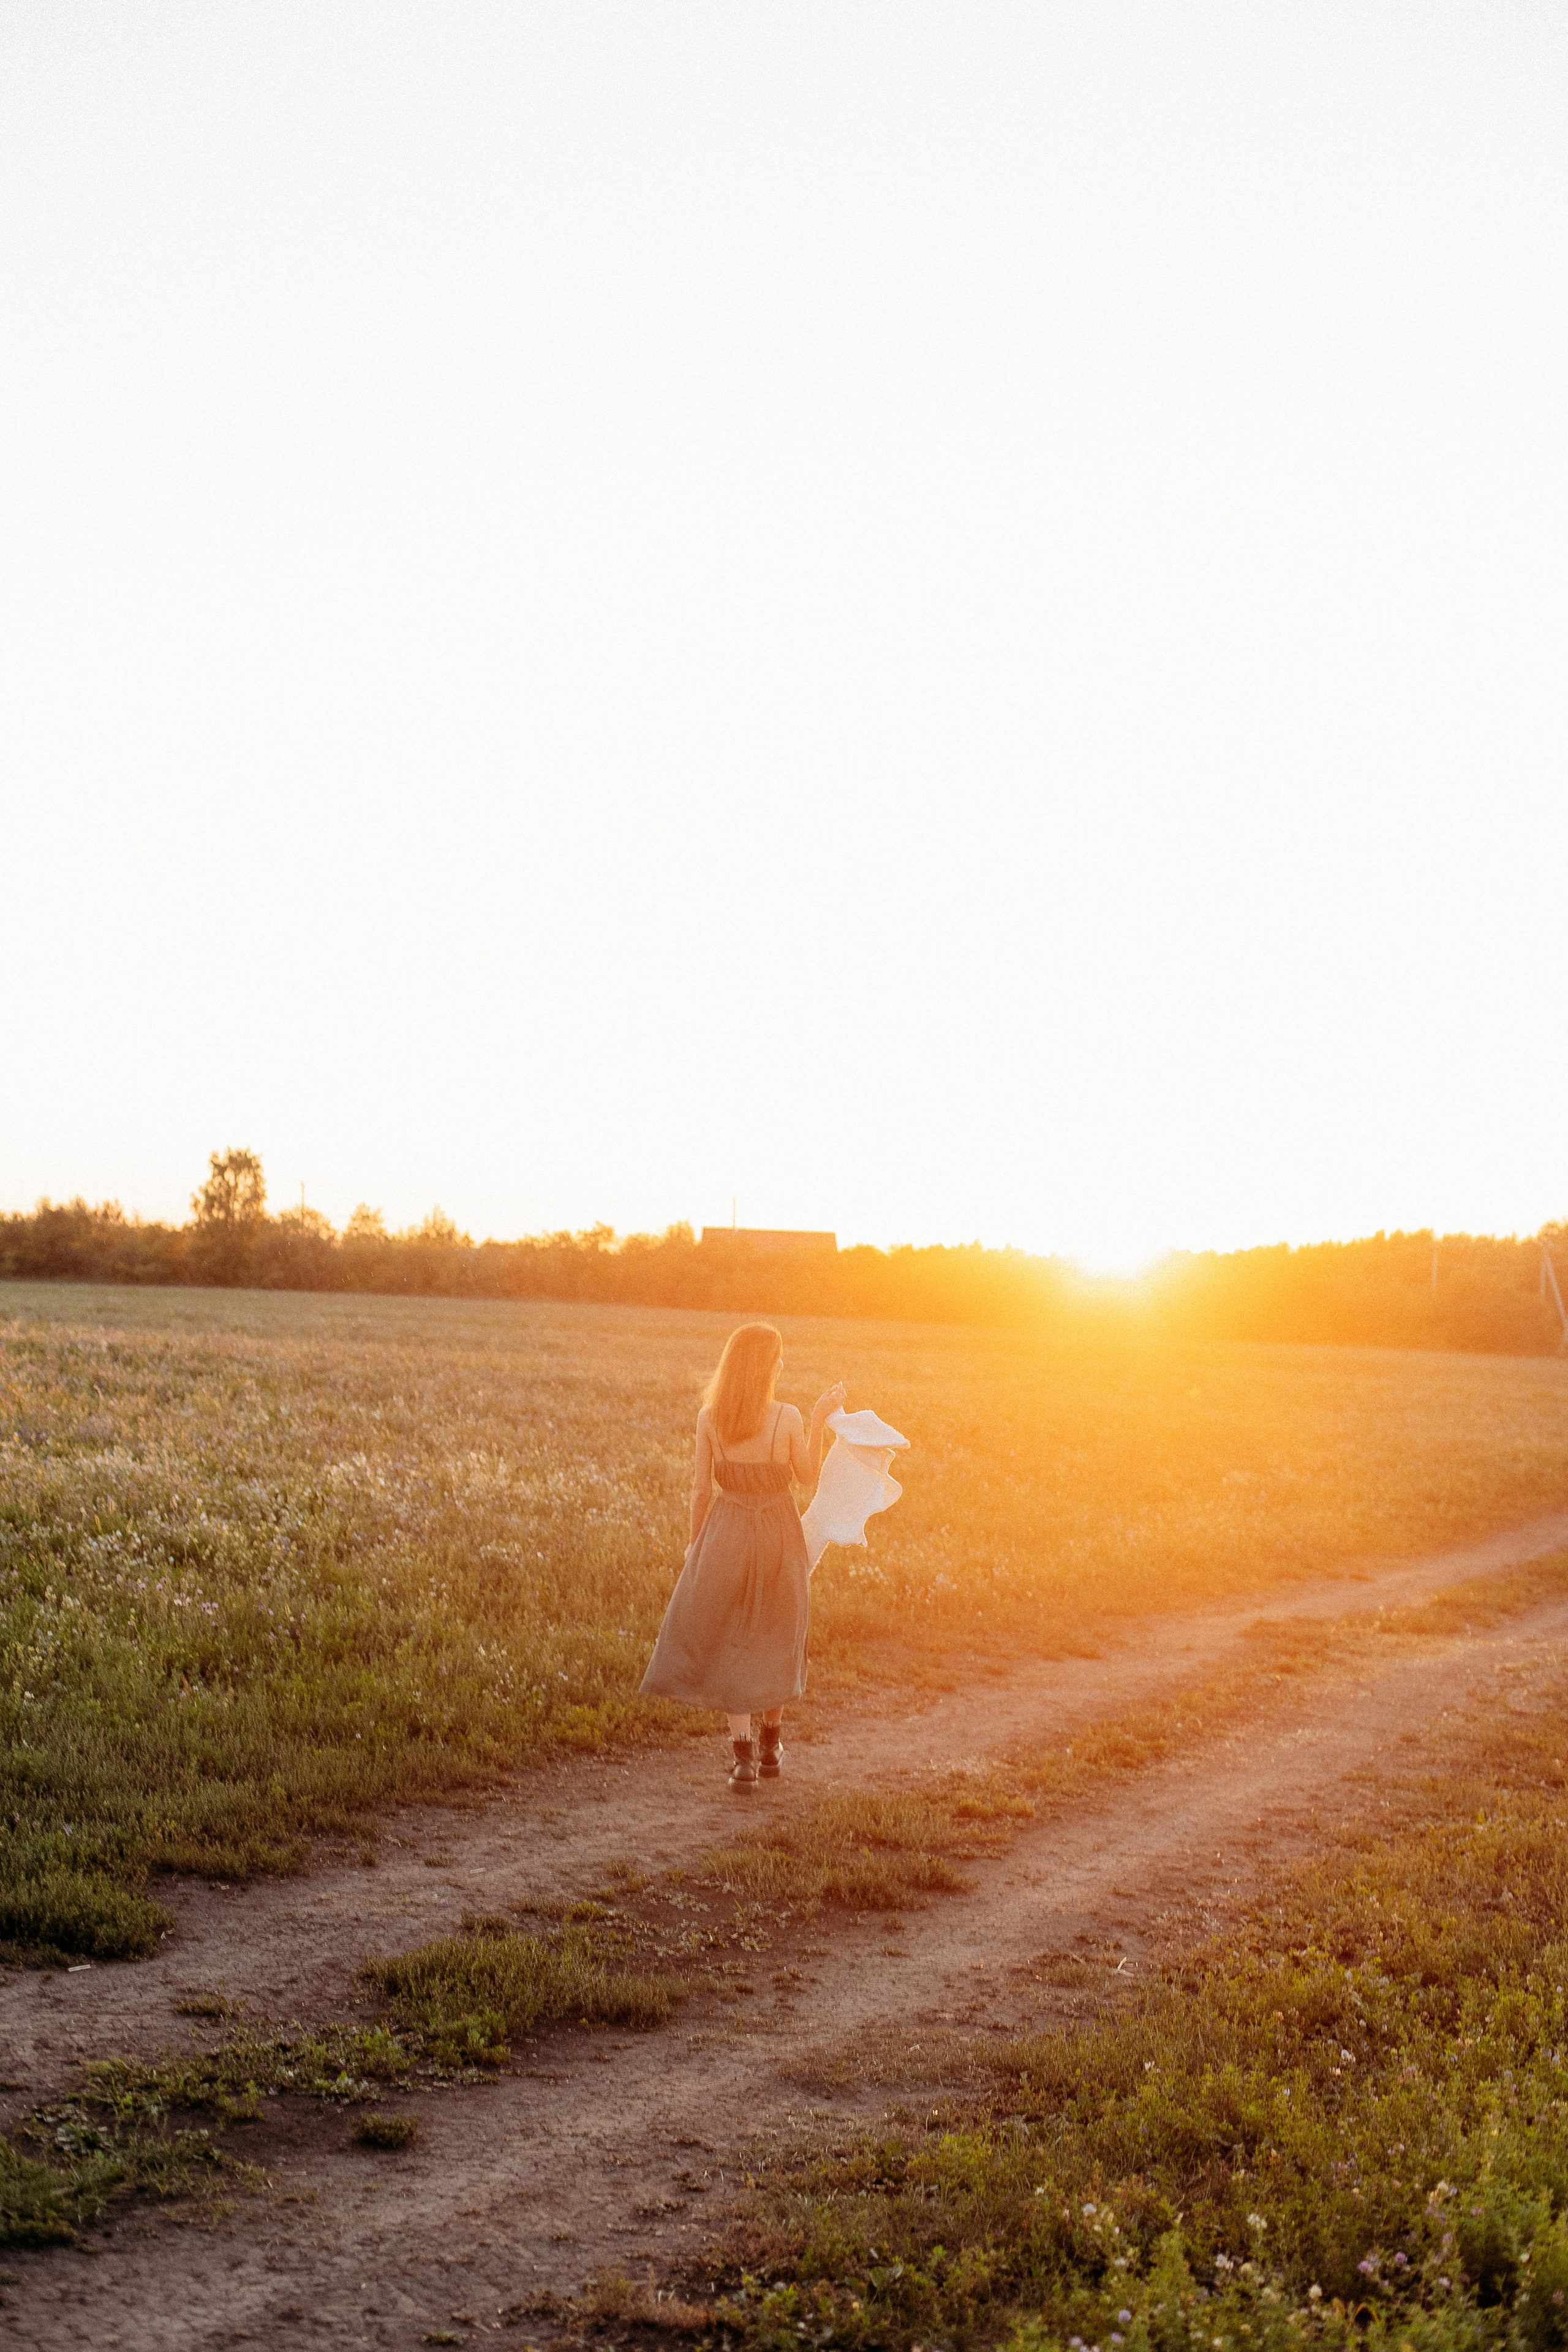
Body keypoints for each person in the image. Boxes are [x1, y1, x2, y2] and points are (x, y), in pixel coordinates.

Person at [640, 1322, 845, 1790]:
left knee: (733, 1637)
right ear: (765, 1366)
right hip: (778, 1532)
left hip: (726, 1531)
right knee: (777, 1633)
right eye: (778, 1357)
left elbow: (700, 1491)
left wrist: (694, 1544)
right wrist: (818, 1419)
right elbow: (808, 1476)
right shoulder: (788, 1416)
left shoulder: (709, 1418)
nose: (782, 1364)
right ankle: (772, 1747)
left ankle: (743, 1760)